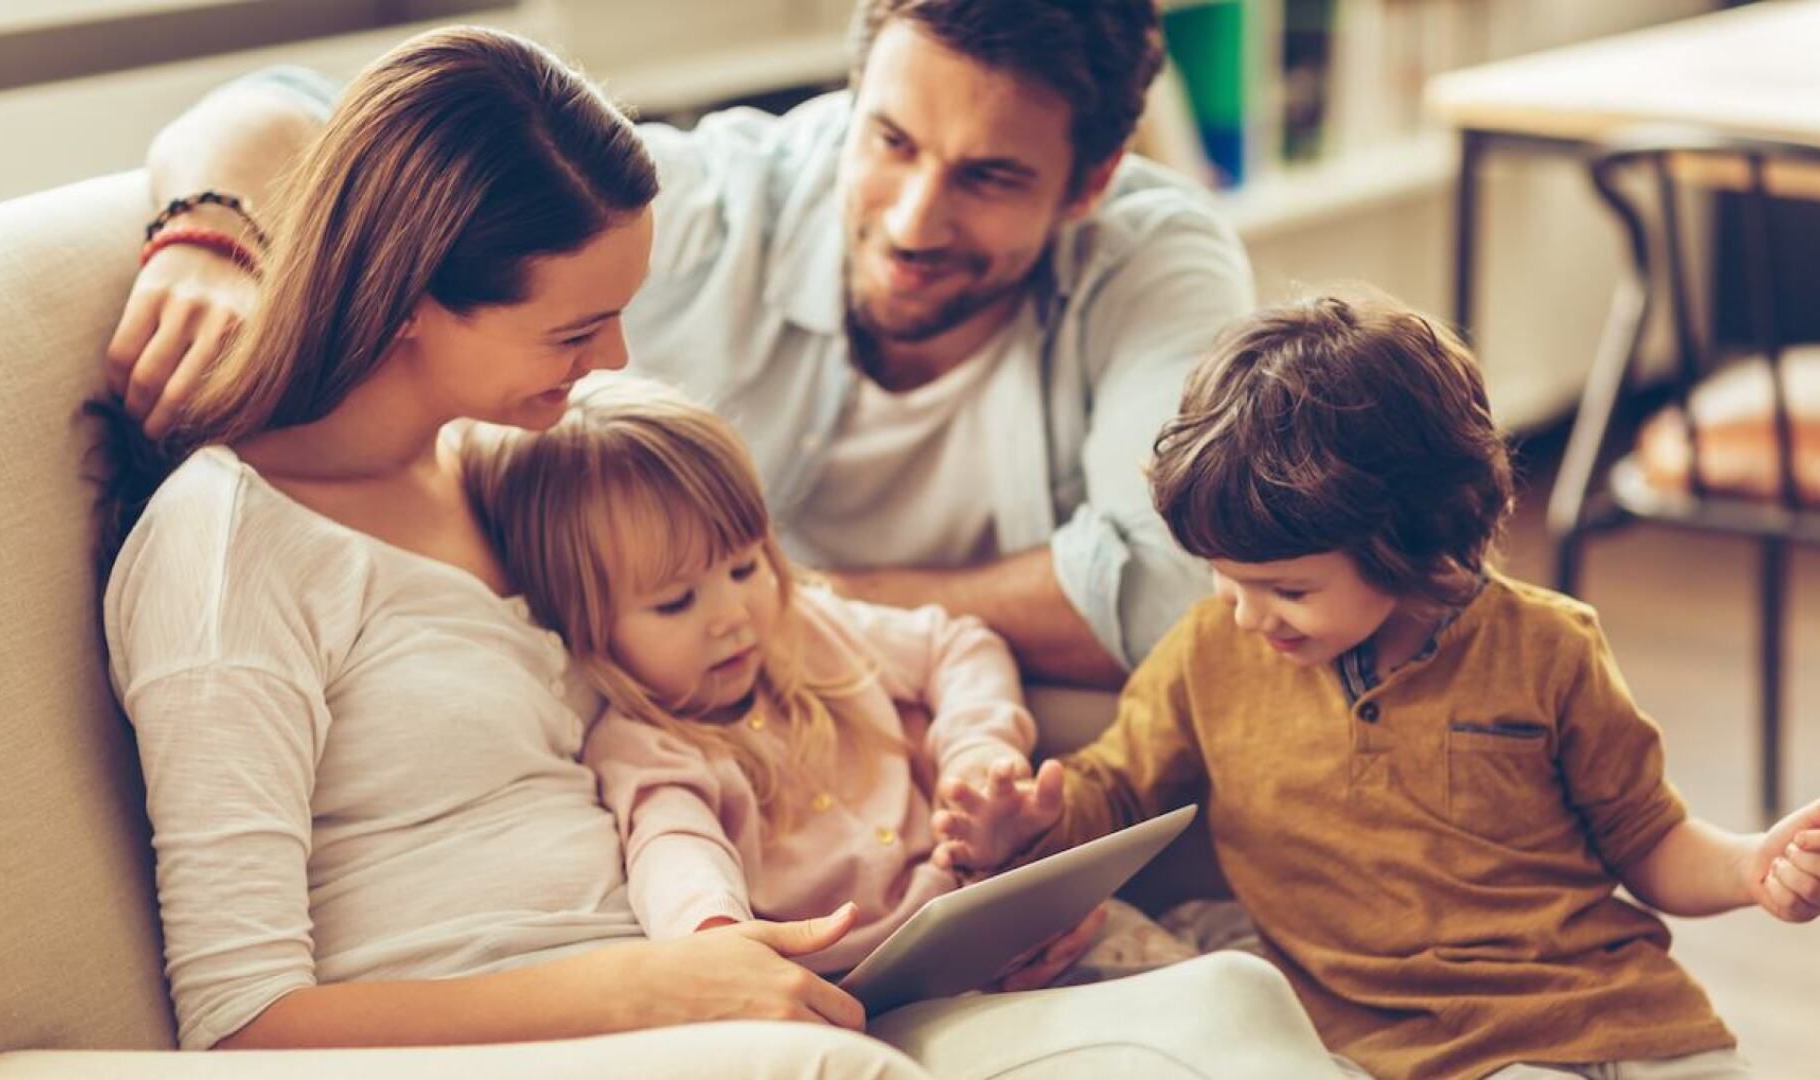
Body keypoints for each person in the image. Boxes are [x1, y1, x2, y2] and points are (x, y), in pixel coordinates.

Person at [95, 24, 1341, 1077]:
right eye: (578, 328)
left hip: (728, 978)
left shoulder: (510, 477)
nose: (619, 365)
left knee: (1227, 1007)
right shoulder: (227, 554)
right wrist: (647, 993)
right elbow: (242, 1017)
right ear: (413, 296)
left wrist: (934, 906)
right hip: (560, 1029)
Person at [105, 0, 1256, 689]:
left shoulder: (1150, 259)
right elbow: (296, 106)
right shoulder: (704, 208)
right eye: (891, 140)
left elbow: (1174, 592)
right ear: (850, 96)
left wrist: (748, 599)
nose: (913, 221)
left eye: (988, 177)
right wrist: (207, 229)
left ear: (1090, 180)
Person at [933, 292, 1820, 1080]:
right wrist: (1032, 824)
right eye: (1225, 576)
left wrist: (1748, 868)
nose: (1248, 614)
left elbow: (1646, 840)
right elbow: (1116, 789)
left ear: (1418, 540)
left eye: (1288, 589)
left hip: (1608, 1005)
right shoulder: (1211, 649)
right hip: (1394, 1040)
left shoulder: (1549, 649)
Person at [459, 379, 1048, 974]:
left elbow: (960, 644)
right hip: (858, 978)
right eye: (675, 602)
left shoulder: (809, 629)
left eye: (745, 567)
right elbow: (675, 849)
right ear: (586, 629)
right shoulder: (648, 747)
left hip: (976, 915)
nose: (732, 616)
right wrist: (713, 928)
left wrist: (975, 752)